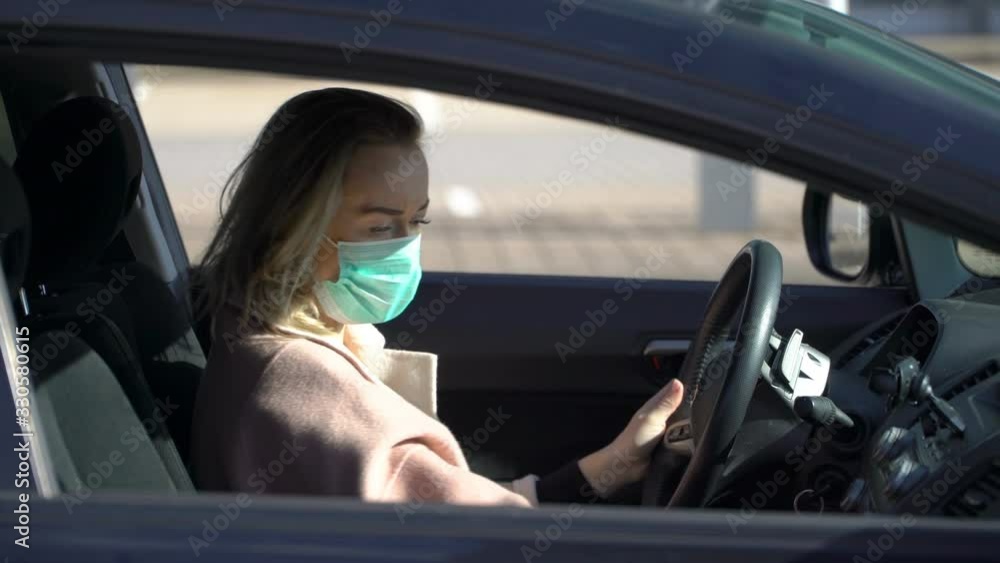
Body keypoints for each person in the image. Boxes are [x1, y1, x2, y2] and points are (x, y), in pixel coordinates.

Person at [190, 88, 685, 507]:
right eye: (380, 226)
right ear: (292, 228)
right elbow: (470, 536)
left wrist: (611, 467)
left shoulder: (270, 339)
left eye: (417, 221)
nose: (405, 247)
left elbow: (445, 509)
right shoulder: (304, 392)